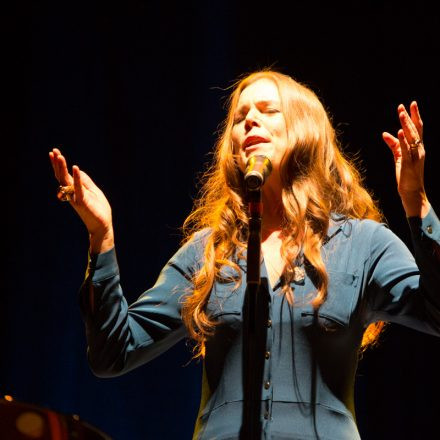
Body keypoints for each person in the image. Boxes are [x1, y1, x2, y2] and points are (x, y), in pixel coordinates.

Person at [49, 70, 440, 440]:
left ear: (304, 130)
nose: (250, 120)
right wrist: (102, 235)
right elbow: (113, 353)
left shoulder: (362, 244)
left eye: (268, 111)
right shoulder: (208, 253)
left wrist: (415, 200)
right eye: (240, 117)